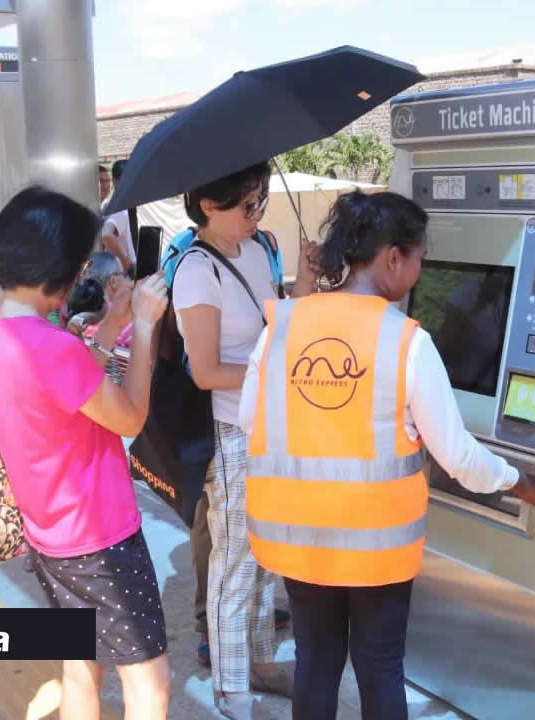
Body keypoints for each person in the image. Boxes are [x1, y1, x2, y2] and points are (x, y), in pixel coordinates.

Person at [239, 192, 535, 720]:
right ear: (392, 257)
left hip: (294, 534)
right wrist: (518, 481)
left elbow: (251, 417)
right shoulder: (406, 341)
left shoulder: (283, 326)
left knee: (316, 661)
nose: (418, 270)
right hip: (376, 545)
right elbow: (456, 455)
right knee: (379, 666)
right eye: (419, 258)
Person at [0, 187, 172, 720]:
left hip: (49, 535)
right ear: (60, 274)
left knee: (81, 666)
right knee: (150, 682)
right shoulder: (55, 348)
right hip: (101, 538)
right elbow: (128, 415)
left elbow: (70, 381)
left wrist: (111, 321)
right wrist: (147, 326)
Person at [173, 160, 307, 720]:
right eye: (246, 204)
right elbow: (204, 371)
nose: (256, 213)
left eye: (261, 199)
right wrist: (274, 374)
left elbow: (276, 327)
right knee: (234, 567)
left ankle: (257, 662)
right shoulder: (196, 269)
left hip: (267, 423)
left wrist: (307, 282)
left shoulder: (255, 250)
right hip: (230, 432)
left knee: (265, 553)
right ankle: (232, 696)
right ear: (208, 205)